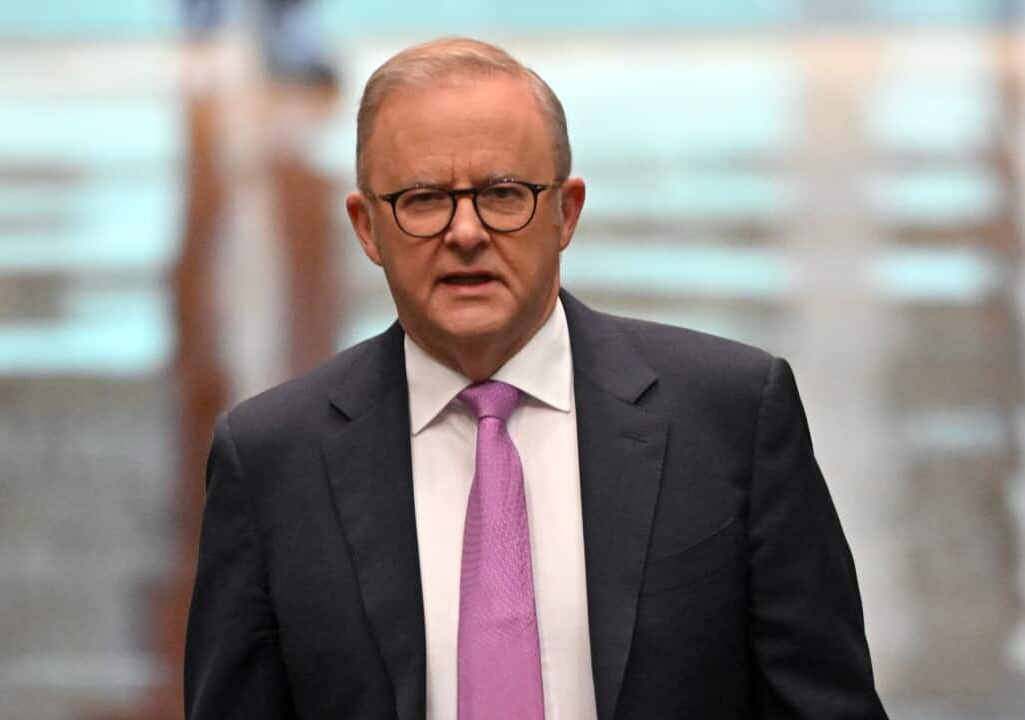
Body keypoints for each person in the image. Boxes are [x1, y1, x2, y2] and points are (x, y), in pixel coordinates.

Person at [185, 37, 889, 720]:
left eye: (503, 192)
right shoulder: (272, 461)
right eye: (425, 198)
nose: (466, 232)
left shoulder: (734, 417)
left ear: (566, 212)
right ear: (368, 228)